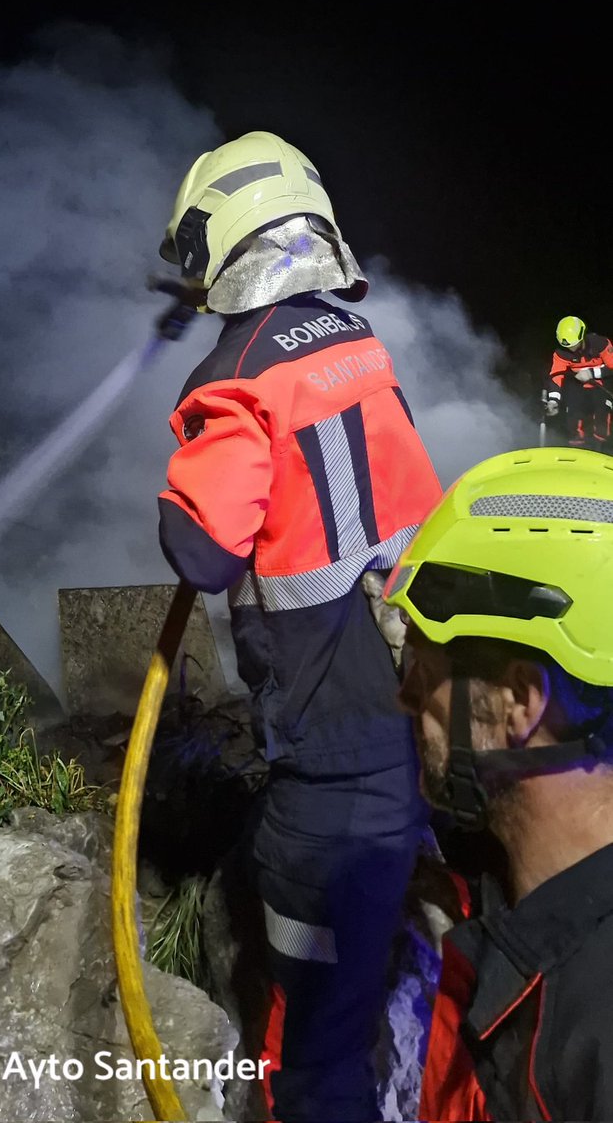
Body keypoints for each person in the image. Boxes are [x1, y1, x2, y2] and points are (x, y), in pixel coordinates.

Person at [155, 131, 442, 1122]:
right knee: (368, 968)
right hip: (411, 711)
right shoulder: (353, 341)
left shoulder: (231, 378)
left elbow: (201, 552)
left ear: (219, 240)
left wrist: (194, 431)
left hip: (331, 768)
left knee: (313, 1048)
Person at [385, 445, 613, 1122]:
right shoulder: (522, 911)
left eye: (424, 670)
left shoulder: (595, 1021)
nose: (405, 697)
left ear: (519, 702)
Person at [543, 315, 613, 451]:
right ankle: (577, 445)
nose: (571, 349)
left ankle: (601, 447)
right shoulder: (561, 353)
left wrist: (592, 373)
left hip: (601, 385)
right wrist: (553, 400)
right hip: (578, 386)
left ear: (581, 337)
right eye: (567, 346)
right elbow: (556, 375)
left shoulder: (601, 344)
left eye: (573, 344)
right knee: (573, 413)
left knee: (602, 413)